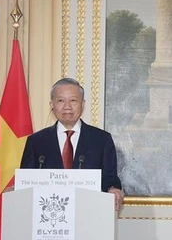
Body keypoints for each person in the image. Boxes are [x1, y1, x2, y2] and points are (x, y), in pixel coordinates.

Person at [20, 77, 124, 210]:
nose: (67, 106)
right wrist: (18, 188)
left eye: (73, 100)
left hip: (89, 213)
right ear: (52, 105)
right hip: (48, 216)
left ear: (83, 104)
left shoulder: (102, 140)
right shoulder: (36, 141)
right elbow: (27, 178)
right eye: (61, 101)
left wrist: (114, 189)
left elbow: (110, 177)